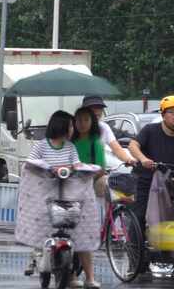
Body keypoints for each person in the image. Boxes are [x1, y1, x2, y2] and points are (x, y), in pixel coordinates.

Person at [15, 110, 101, 289]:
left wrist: (79, 168)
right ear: (62, 126)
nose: (73, 129)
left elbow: (76, 164)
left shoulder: (70, 147)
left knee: (78, 227)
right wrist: (49, 168)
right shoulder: (41, 145)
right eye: (71, 125)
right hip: (46, 194)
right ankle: (41, 260)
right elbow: (31, 163)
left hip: (68, 193)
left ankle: (83, 276)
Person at [128, 95, 174, 268]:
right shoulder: (150, 130)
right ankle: (135, 257)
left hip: (169, 182)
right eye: (173, 112)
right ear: (163, 115)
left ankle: (169, 254)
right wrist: (143, 159)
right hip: (145, 180)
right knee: (139, 216)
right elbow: (132, 145)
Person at [70, 107, 105, 288]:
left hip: (85, 194)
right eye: (78, 120)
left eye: (85, 120)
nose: (81, 124)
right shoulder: (69, 141)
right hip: (67, 193)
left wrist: (85, 178)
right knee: (67, 235)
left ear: (92, 122)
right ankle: (69, 274)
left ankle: (88, 277)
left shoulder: (95, 143)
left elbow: (100, 169)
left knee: (84, 236)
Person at [81, 96, 136, 165]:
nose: (97, 111)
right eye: (93, 108)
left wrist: (129, 160)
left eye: (100, 108)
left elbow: (116, 149)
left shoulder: (104, 127)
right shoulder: (74, 126)